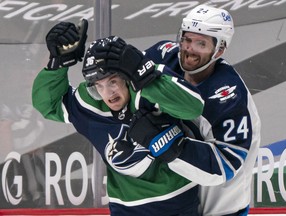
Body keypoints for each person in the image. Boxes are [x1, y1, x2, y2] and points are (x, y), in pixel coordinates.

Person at [32, 20, 247, 215]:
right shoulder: (89, 105)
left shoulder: (150, 89)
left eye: (113, 81)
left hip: (177, 205)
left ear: (127, 76)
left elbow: (192, 107)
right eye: (99, 86)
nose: (108, 93)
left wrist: (143, 73)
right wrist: (57, 65)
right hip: (125, 209)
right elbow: (47, 105)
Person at [143, 4, 261, 216]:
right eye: (187, 40)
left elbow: (226, 164)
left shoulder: (227, 95)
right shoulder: (167, 55)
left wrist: (171, 146)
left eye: (201, 43)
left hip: (220, 211)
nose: (189, 49)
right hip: (177, 205)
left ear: (220, 49)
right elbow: (125, 74)